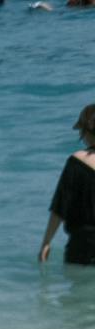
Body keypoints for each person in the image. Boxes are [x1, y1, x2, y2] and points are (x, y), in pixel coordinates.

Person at [39, 104, 95, 267]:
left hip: (81, 248)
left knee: (79, 291)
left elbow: (60, 207)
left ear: (86, 131)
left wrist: (46, 243)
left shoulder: (76, 162)